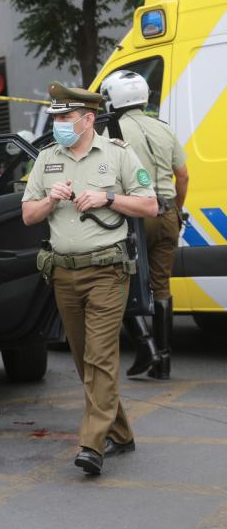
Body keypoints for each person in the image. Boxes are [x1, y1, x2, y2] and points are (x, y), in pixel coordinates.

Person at [21, 82, 157, 475]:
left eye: (65, 117)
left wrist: (107, 198)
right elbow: (27, 215)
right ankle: (122, 432)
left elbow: (149, 204)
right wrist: (50, 200)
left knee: (100, 357)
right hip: (64, 273)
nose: (59, 124)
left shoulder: (117, 155)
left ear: (88, 119)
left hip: (108, 272)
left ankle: (92, 445)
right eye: (56, 118)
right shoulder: (46, 159)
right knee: (84, 362)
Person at [101, 70, 189, 380]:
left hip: (135, 217)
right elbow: (183, 175)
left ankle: (145, 346)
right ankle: (163, 362)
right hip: (167, 215)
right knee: (161, 286)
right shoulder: (164, 129)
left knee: (121, 283)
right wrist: (176, 210)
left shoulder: (111, 132)